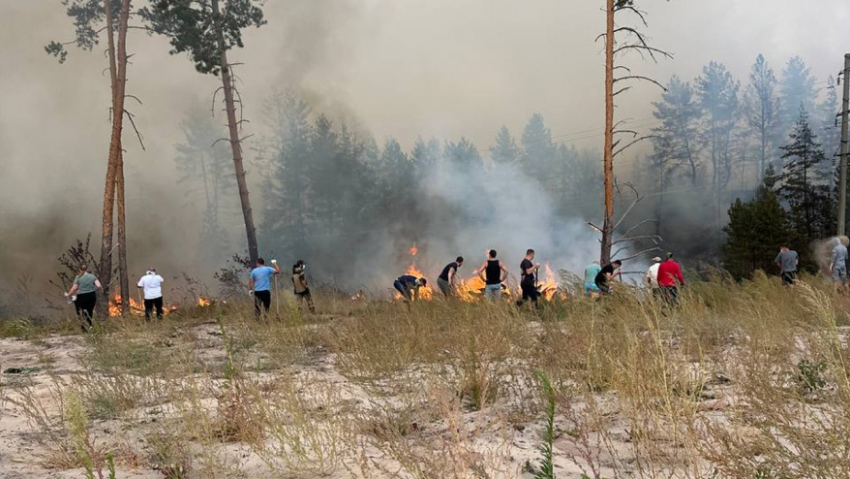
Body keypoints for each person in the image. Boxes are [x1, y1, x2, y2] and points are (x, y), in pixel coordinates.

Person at [64, 264, 102, 332]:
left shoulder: (78, 277)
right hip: (91, 296)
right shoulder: (92, 276)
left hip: (81, 296)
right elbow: (99, 285)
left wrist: (68, 295)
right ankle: (90, 325)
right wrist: (92, 288)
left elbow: (74, 288)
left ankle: (83, 326)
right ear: (86, 269)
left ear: (79, 269)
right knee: (90, 311)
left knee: (80, 311)